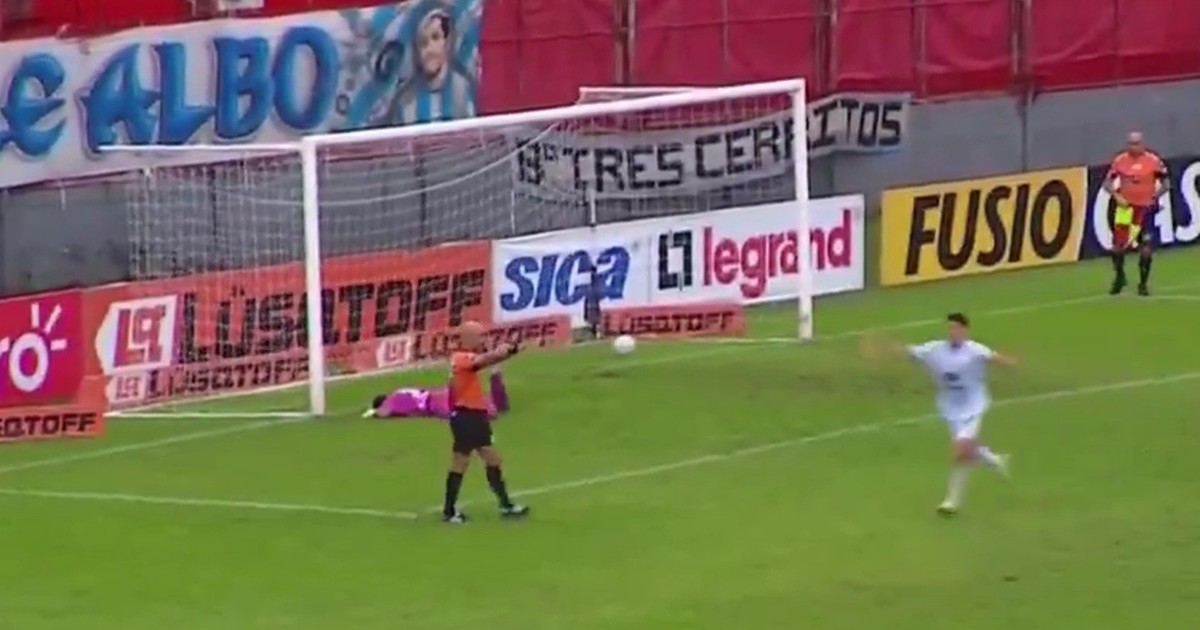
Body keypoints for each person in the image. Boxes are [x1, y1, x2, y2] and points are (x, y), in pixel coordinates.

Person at [861, 313, 1017, 516]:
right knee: (967, 450)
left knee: (960, 450)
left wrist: (1010, 363)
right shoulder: (935, 349)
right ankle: (996, 460)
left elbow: (995, 358)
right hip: (950, 409)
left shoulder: (975, 350)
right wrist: (887, 349)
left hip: (974, 406)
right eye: (950, 328)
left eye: (956, 328)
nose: (952, 332)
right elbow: (909, 351)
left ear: (965, 331)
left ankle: (951, 502)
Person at [441, 321, 528, 524]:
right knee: (470, 462)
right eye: (480, 336)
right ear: (468, 338)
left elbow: (486, 360)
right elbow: (482, 361)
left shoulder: (463, 358)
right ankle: (502, 506)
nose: (483, 340)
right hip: (468, 417)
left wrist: (508, 351)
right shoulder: (461, 358)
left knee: (478, 461)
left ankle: (501, 505)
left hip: (471, 417)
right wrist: (502, 351)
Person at [1104, 131, 1170, 296]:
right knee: (1117, 249)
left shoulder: (1153, 161)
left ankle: (1143, 284)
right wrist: (1117, 196)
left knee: (1146, 251)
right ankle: (1120, 277)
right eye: (1131, 143)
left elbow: (1166, 183)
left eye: (1137, 143)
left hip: (1145, 209)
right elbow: (1107, 183)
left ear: (1142, 144)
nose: (1134, 147)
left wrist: (1155, 196)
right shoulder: (1120, 161)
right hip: (1125, 210)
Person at [362, 371, 510, 420]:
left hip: (435, 402)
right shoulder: (399, 393)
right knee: (495, 406)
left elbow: (384, 412)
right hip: (438, 395)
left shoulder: (394, 400)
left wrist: (373, 413)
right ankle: (495, 379)